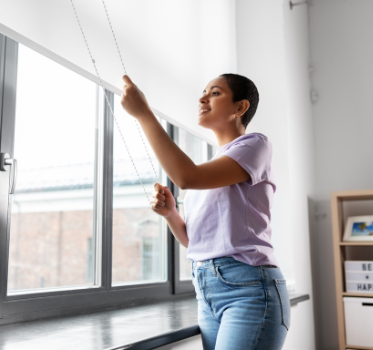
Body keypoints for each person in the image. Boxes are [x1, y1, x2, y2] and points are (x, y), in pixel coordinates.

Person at [120, 74, 290, 350]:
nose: (202, 98)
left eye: (214, 93)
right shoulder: (211, 171)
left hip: (249, 290)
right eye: (203, 92)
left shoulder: (255, 145)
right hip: (207, 293)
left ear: (240, 107)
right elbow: (195, 241)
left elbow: (186, 176)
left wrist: (144, 114)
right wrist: (171, 215)